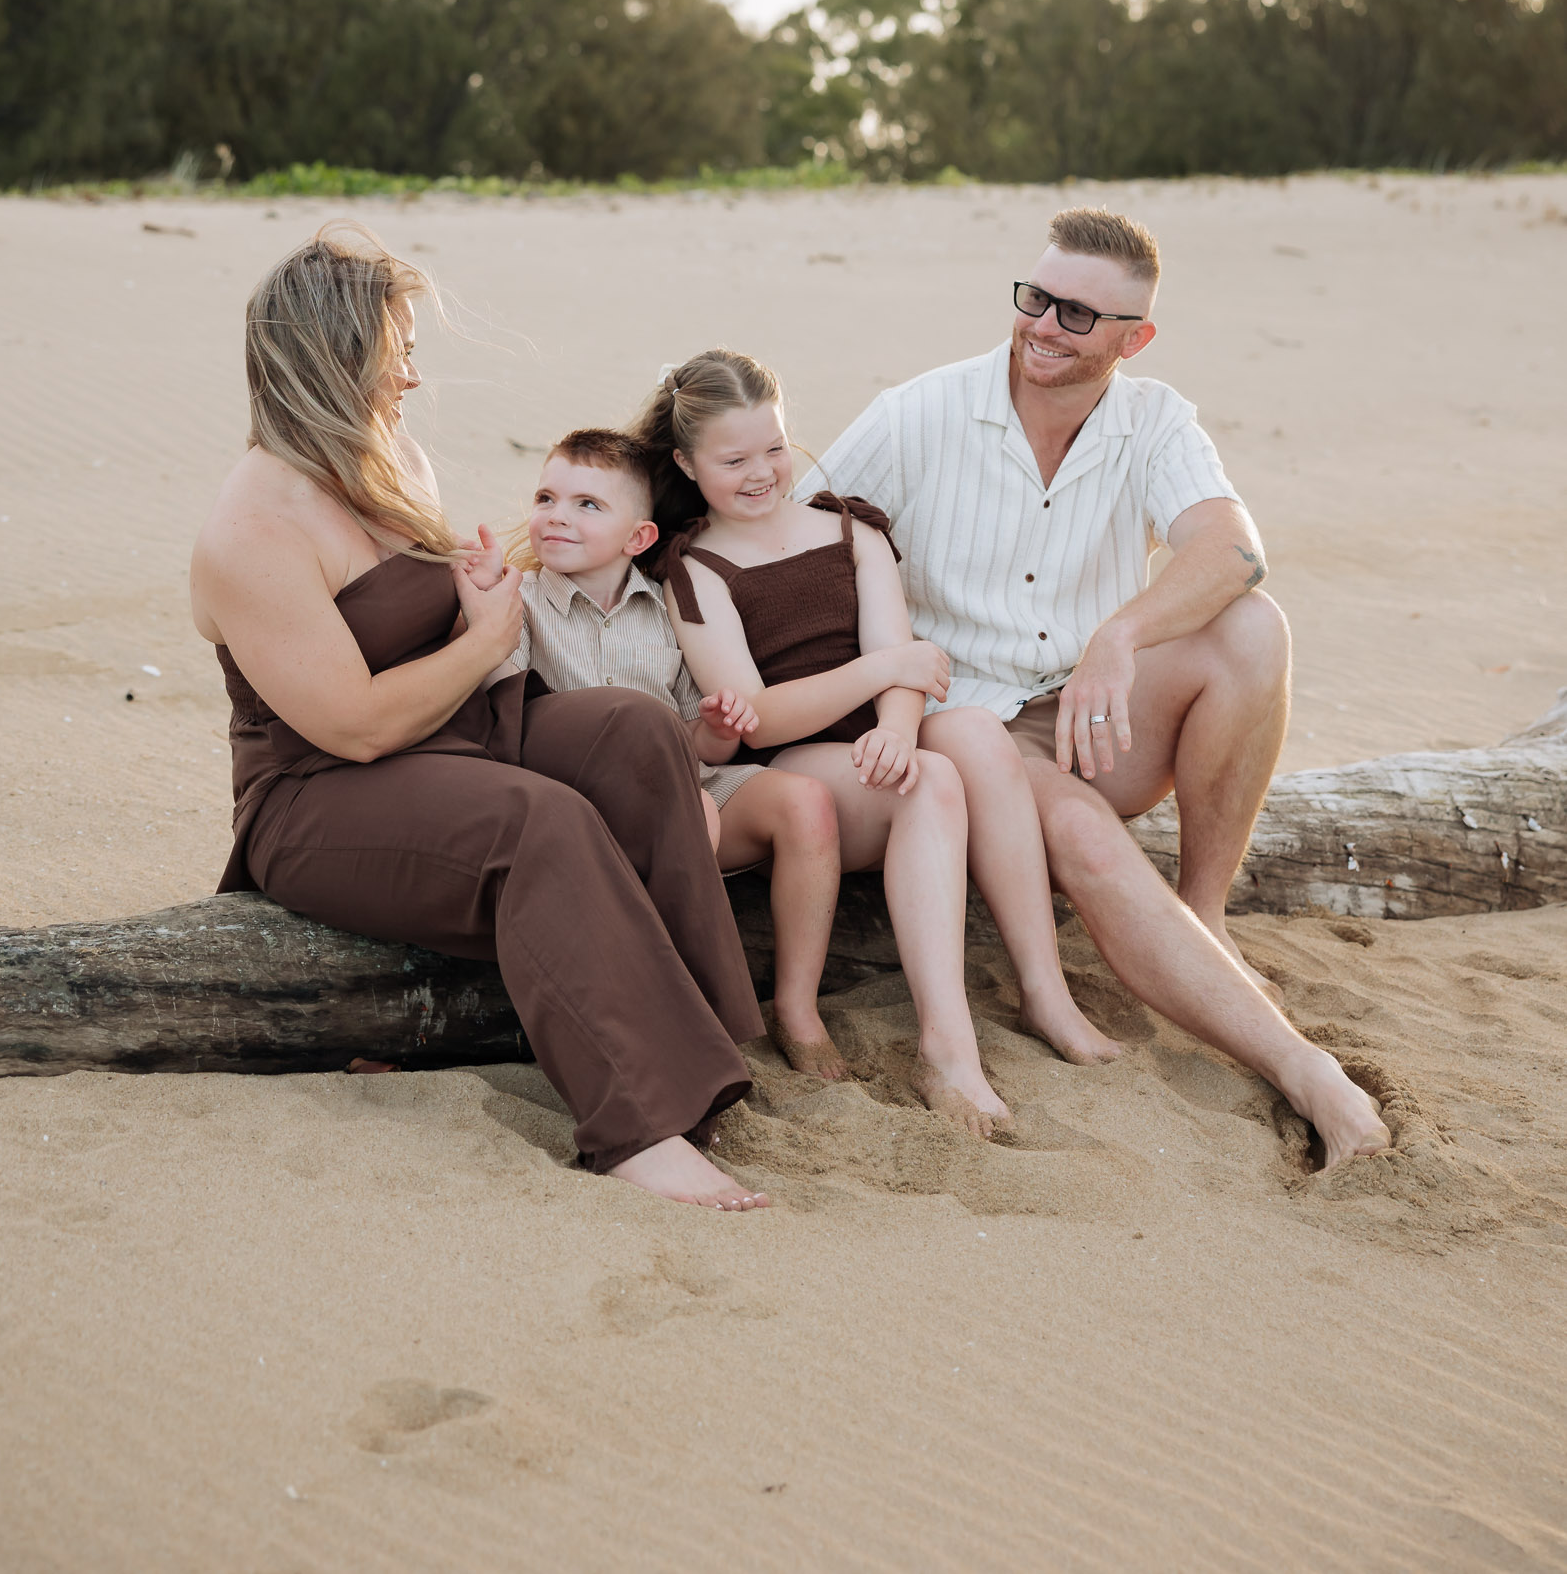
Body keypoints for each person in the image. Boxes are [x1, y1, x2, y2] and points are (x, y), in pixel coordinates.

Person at [796, 203, 1391, 1168]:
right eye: (1035, 298)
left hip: (1090, 710)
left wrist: (1122, 634)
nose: (1043, 326)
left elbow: (1234, 551)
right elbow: (796, 546)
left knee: (1251, 628)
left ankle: (1203, 917)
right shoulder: (919, 413)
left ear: (1134, 338)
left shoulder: (1153, 418)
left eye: (1077, 315)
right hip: (966, 719)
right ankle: (1305, 1072)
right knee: (1079, 831)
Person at [189, 223, 770, 1211]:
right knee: (535, 822)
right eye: (399, 348)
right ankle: (636, 1122)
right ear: (338, 355)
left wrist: (473, 595)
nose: (412, 376)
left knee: (632, 734)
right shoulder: (252, 529)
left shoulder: (387, 457)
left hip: (453, 731)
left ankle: (711, 1040)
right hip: (323, 796)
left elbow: (426, 626)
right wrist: (486, 632)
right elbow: (356, 725)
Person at [634, 349, 1122, 1145]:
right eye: (733, 460)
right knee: (927, 780)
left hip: (877, 742)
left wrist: (896, 726)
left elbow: (904, 662)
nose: (761, 473)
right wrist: (883, 677)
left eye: (773, 448)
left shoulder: (850, 528)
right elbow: (754, 717)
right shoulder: (697, 569)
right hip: (795, 766)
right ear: (686, 464)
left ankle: (1044, 990)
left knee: (963, 730)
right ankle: (946, 1047)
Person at [496, 429, 850, 1079]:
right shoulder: (517, 603)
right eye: (546, 496)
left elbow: (701, 742)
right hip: (591, 803)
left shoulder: (668, 608)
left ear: (638, 538)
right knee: (694, 817)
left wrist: (719, 725)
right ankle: (681, 1012)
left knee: (805, 803)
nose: (556, 515)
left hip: (691, 784)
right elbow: (502, 721)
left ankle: (796, 1009)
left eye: (586, 505)